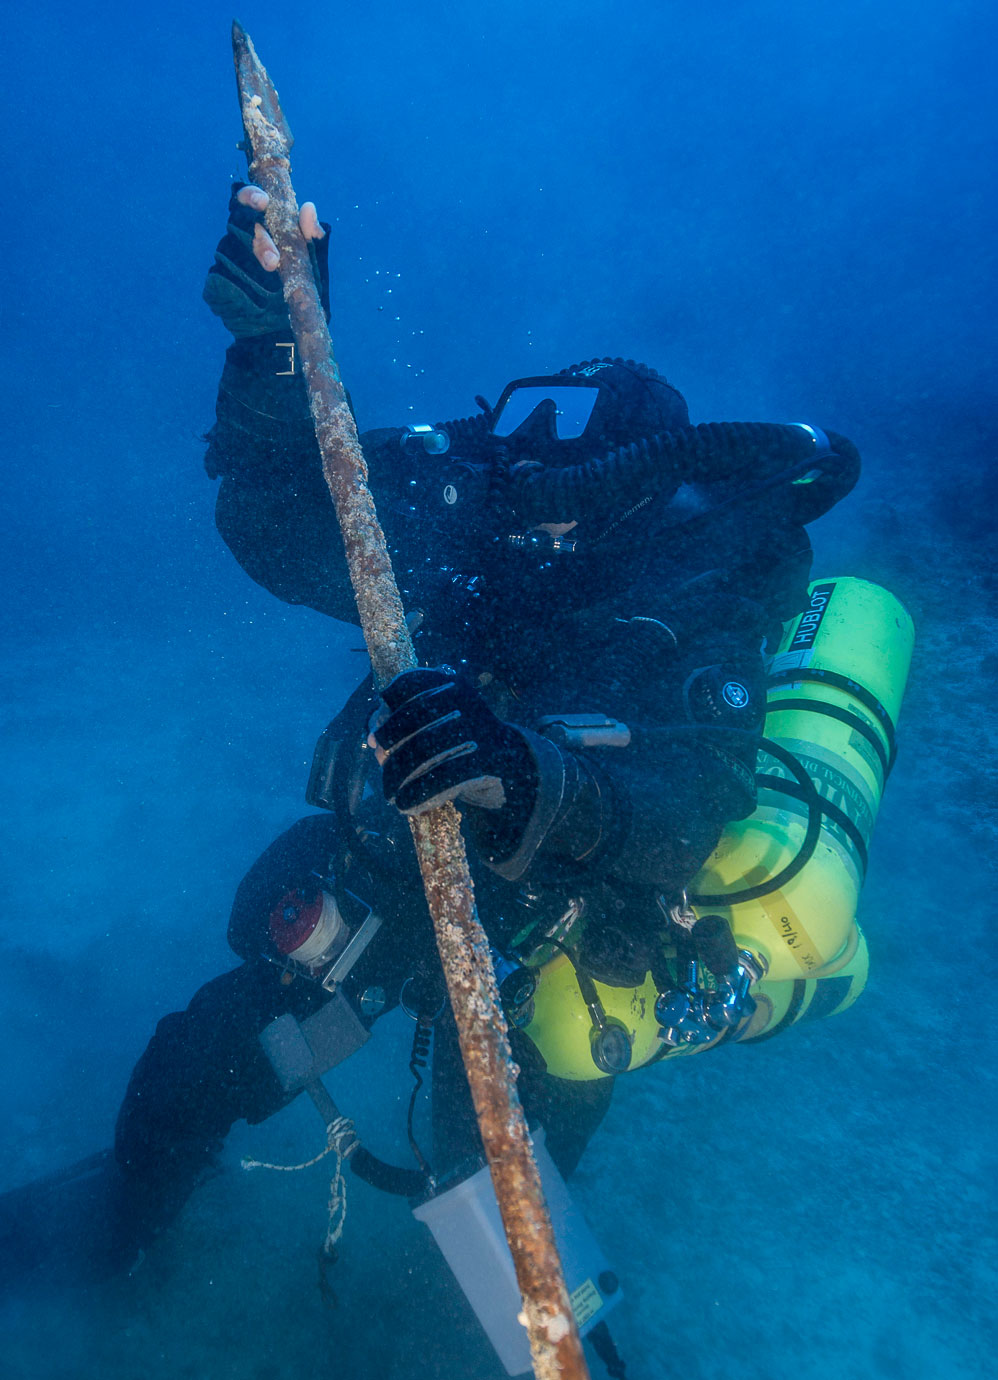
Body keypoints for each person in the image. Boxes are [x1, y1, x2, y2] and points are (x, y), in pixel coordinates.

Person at [0, 185, 860, 1289]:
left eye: (567, 491)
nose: (534, 505)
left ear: (636, 493)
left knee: (497, 1198)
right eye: (524, 467)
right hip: (410, 857)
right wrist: (277, 349)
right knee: (207, 1056)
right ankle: (120, 1222)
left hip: (563, 924)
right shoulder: (485, 507)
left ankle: (532, 1327)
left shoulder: (693, 588)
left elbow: (683, 813)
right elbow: (280, 524)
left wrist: (522, 773)